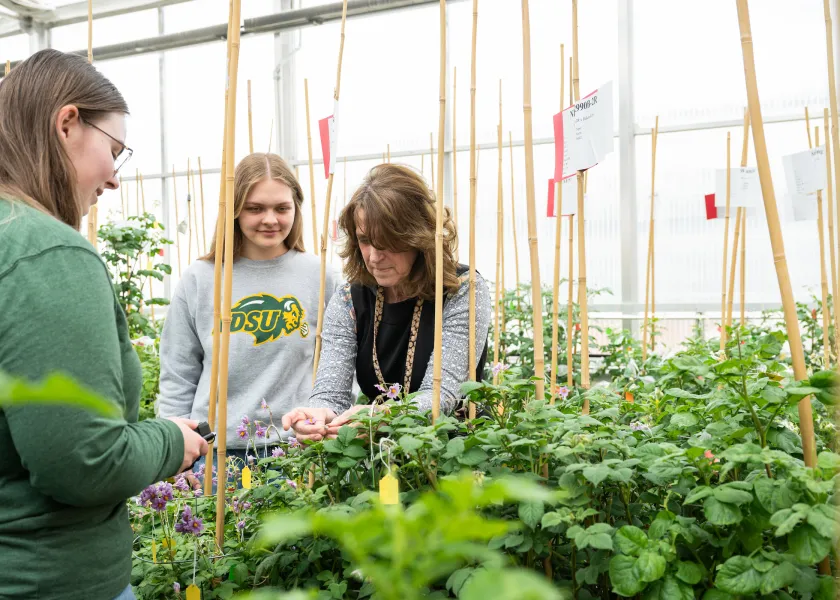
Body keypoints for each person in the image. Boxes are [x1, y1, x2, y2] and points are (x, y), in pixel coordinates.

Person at [0, 49, 208, 600]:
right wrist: (170, 440)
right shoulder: (44, 252)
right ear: (67, 123)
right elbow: (83, 461)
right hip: (49, 580)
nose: (114, 178)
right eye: (112, 150)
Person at [281, 164, 491, 441]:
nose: (374, 256)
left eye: (388, 242)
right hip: (380, 452)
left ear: (418, 237)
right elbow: (330, 392)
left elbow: (442, 396)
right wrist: (318, 416)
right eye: (365, 240)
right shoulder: (350, 299)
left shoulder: (461, 290)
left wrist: (382, 416)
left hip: (455, 453)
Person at [159, 153, 339, 468]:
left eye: (282, 208)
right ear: (234, 210)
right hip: (214, 455)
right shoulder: (202, 278)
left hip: (297, 453)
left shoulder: (319, 276)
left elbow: (339, 364)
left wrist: (330, 420)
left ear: (296, 209)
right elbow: (179, 372)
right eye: (255, 208)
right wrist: (173, 448)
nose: (270, 219)